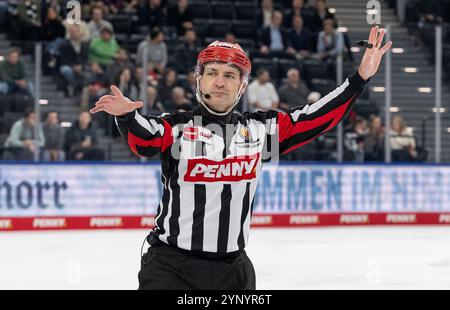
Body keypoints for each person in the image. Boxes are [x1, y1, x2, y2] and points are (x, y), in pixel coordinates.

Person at [90, 27, 392, 290]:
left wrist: (359, 79)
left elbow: (315, 118)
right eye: (212, 73)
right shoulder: (178, 127)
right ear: (199, 79)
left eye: (229, 76)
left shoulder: (260, 131)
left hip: (232, 271)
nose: (220, 82)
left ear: (242, 85)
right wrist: (128, 116)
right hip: (171, 269)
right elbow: (145, 140)